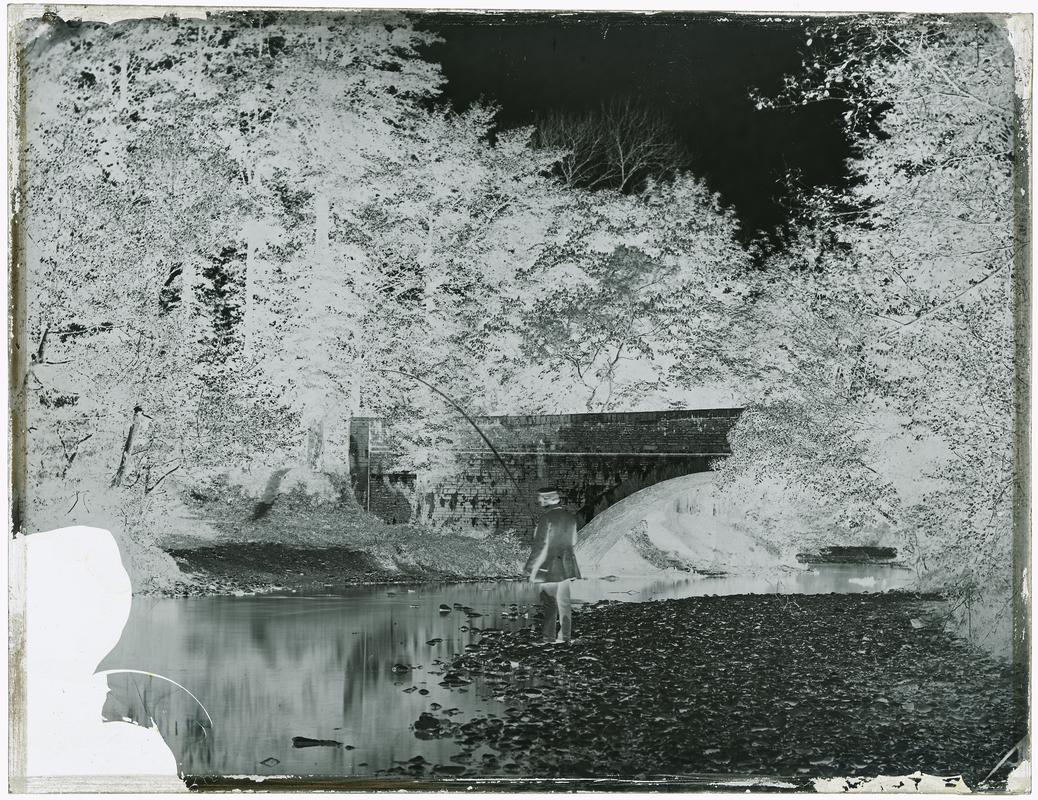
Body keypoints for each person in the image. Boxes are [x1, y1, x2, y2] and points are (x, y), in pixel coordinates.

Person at [524, 487, 582, 643]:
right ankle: (565, 637)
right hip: (567, 565)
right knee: (564, 603)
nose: (539, 501)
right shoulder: (570, 518)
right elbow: (574, 541)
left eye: (541, 499)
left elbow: (539, 547)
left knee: (550, 603)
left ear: (547, 500)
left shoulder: (546, 519)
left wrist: (529, 568)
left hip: (549, 567)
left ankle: (548, 638)